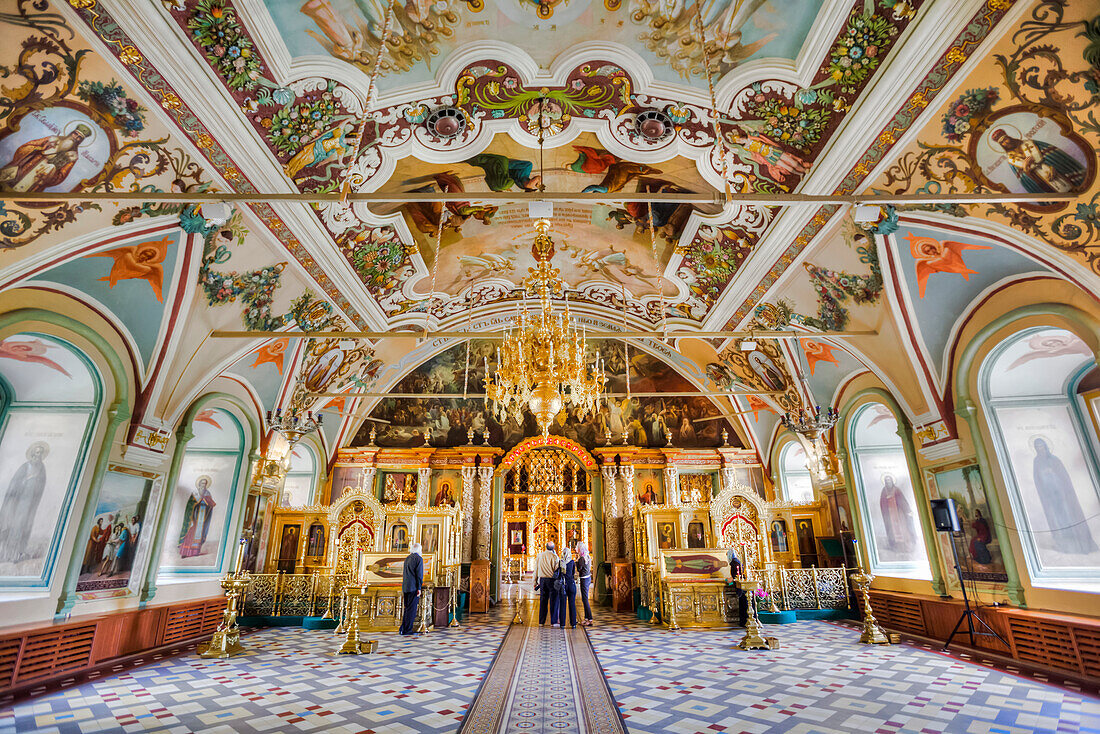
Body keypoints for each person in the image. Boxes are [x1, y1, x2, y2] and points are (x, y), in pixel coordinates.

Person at [400, 542, 424, 635]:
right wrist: (419, 587)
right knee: (411, 609)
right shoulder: (418, 559)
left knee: (407, 609)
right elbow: (419, 575)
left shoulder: (407, 558)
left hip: (406, 586)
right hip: (413, 587)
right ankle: (408, 630)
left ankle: (403, 628)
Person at [534, 542, 560, 626]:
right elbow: (557, 569)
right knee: (554, 600)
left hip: (542, 580)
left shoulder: (539, 556)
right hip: (552, 580)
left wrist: (535, 581)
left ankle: (541, 622)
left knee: (543, 601)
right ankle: (554, 621)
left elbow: (536, 570)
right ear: (553, 548)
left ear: (546, 547)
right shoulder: (554, 557)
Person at [558, 547, 579, 629]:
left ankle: (562, 624)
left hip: (563, 585)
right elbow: (573, 573)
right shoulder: (572, 562)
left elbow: (559, 574)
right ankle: (573, 623)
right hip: (571, 584)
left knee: (562, 605)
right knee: (572, 604)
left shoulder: (560, 562)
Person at [727, 548, 747, 627]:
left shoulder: (734, 562)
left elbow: (736, 576)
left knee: (743, 604)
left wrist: (729, 581)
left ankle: (744, 621)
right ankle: (744, 621)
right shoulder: (736, 561)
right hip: (740, 586)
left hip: (740, 586)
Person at [576, 541, 594, 626]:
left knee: (585, 599)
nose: (576, 549)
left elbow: (579, 569)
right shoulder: (587, 556)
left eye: (577, 548)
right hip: (587, 578)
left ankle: (590, 618)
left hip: (584, 579)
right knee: (584, 599)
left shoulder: (581, 558)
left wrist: (576, 563)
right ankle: (586, 618)